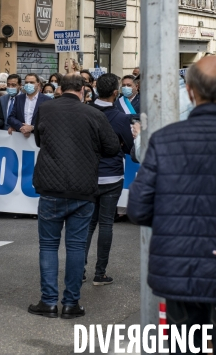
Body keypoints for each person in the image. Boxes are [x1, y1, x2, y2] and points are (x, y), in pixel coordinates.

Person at [128, 56, 216, 354]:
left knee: (185, 345)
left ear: (190, 91)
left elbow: (138, 208)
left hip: (181, 267)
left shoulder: (165, 140)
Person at [28, 73, 120, 319]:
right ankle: (71, 303)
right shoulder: (93, 114)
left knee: (48, 245)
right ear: (82, 91)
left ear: (60, 88)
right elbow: (112, 147)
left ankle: (48, 302)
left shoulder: (46, 109)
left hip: (50, 187)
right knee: (76, 246)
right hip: (83, 189)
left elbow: (39, 140)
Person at [84, 73, 135, 285]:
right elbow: (132, 147)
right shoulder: (121, 118)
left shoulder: (85, 112)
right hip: (112, 176)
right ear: (116, 93)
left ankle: (79, 270)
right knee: (106, 224)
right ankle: (100, 273)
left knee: (87, 224)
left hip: (87, 175)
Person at [7, 73, 50, 138]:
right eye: (26, 82)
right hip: (20, 138)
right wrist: (21, 127)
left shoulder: (46, 100)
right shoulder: (19, 98)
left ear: (38, 85)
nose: (28, 84)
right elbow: (11, 118)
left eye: (31, 82)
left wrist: (32, 127)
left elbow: (48, 121)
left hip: (38, 139)